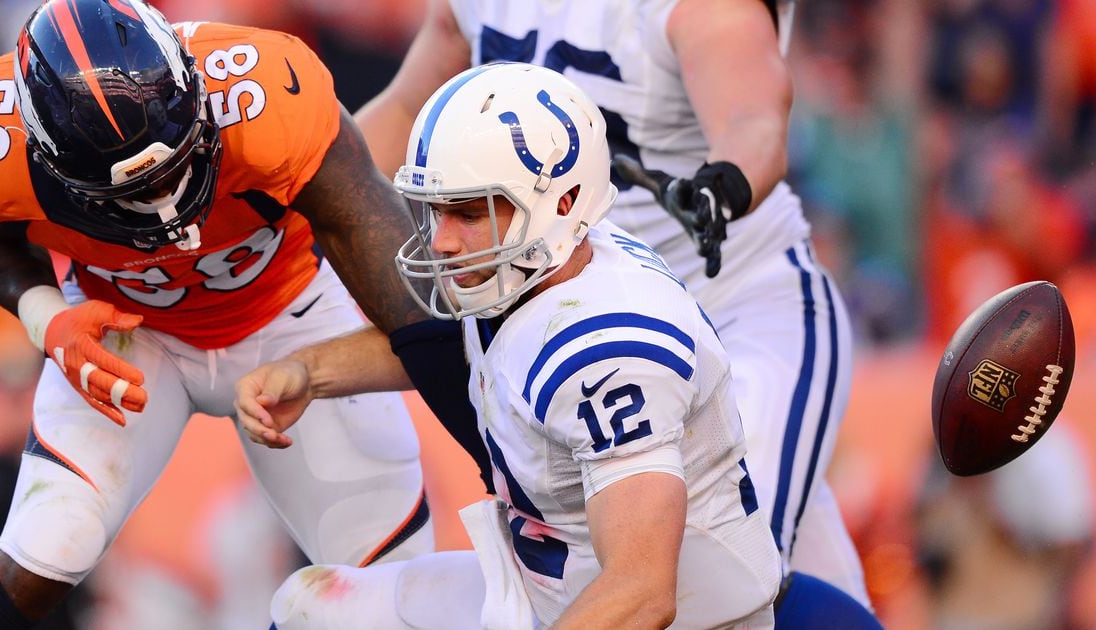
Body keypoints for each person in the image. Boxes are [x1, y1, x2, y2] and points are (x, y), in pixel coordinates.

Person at [0, 1, 442, 626]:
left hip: (292, 315)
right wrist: (46, 315)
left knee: (391, 583)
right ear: (45, 156)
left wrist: (497, 450)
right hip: (131, 332)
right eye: (131, 191)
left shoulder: (267, 92)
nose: (166, 202)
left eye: (176, 162)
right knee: (49, 547)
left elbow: (418, 319)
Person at [354, 0, 870, 604]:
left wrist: (723, 185)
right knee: (765, 565)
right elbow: (404, 107)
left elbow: (753, 116)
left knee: (725, 587)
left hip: (731, 301)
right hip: (558, 302)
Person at [237, 62, 783, 629]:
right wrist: (309, 371)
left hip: (657, 618)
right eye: (436, 211)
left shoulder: (606, 348)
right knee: (309, 608)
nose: (443, 242)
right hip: (545, 590)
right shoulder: (544, 262)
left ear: (564, 203)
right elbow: (470, 342)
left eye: (469, 213)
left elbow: (642, 591)